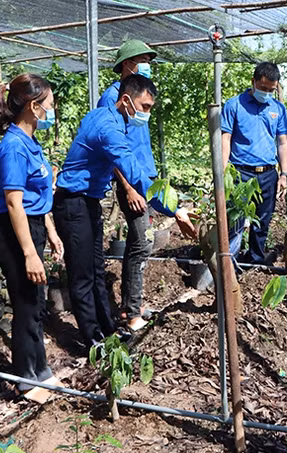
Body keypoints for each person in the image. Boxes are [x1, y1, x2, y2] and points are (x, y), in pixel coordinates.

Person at [54, 74, 195, 347]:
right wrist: (174, 209)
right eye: (145, 107)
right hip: (72, 204)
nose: (147, 114)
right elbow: (133, 172)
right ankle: (92, 341)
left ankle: (107, 332)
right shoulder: (109, 129)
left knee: (96, 270)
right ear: (127, 100)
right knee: (82, 276)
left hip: (88, 202)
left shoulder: (106, 117)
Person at [0, 74, 64, 404]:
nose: (52, 110)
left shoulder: (30, 143)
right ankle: (25, 379)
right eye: (50, 104)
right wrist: (30, 254)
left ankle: (40, 371)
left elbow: (37, 197)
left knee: (35, 304)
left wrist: (51, 232)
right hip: (14, 234)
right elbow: (14, 203)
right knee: (26, 305)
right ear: (34, 107)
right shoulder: (14, 147)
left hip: (32, 228)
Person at [98, 40, 162, 331]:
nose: (148, 65)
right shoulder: (113, 98)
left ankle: (132, 303)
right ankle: (131, 312)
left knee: (142, 242)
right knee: (141, 242)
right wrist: (128, 188)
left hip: (145, 179)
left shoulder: (140, 95)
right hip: (133, 184)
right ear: (127, 63)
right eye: (143, 60)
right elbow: (111, 149)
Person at [221, 62, 287, 265]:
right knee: (235, 219)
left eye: (271, 90)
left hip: (268, 174)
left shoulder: (278, 109)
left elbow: (282, 142)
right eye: (263, 88)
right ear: (253, 82)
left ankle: (255, 261)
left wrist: (283, 174)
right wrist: (222, 172)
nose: (266, 93)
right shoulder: (234, 105)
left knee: (262, 221)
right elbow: (225, 139)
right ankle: (230, 262)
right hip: (240, 172)